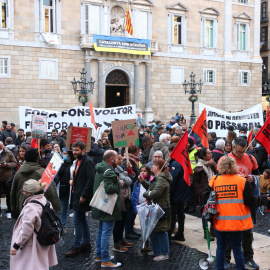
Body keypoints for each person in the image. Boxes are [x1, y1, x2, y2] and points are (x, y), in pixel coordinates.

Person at [205, 157, 267, 270]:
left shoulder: (214, 180)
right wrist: (263, 198)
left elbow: (206, 198)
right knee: (237, 249)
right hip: (237, 223)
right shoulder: (242, 181)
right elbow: (251, 202)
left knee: (220, 248)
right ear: (234, 166)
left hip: (219, 222)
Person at [217, 137, 260, 270]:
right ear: (232, 147)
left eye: (243, 152)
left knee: (248, 233)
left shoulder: (251, 158)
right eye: (238, 152)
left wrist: (253, 178)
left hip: (246, 201)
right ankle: (226, 259)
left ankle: (249, 258)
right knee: (229, 235)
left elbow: (258, 174)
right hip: (229, 204)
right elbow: (219, 178)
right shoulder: (225, 159)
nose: (241, 154)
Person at [10, 180, 58, 270]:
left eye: (23, 191)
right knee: (41, 264)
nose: (23, 193)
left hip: (32, 243)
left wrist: (16, 245)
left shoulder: (30, 207)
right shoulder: (46, 201)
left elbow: (26, 230)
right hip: (43, 239)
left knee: (29, 265)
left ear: (30, 193)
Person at [92, 150, 122, 268]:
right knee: (105, 233)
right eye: (116, 158)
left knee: (101, 231)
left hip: (101, 206)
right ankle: (105, 259)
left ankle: (100, 255)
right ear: (111, 159)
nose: (118, 160)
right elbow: (109, 189)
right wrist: (120, 183)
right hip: (108, 207)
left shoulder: (101, 168)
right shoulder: (109, 172)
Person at [65, 141, 95, 257]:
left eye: (77, 150)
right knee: (82, 220)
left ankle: (76, 246)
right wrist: (74, 181)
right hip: (77, 194)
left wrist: (84, 195)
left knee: (77, 221)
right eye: (73, 150)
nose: (74, 152)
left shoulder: (88, 162)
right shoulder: (78, 161)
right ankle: (86, 244)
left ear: (83, 150)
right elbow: (81, 177)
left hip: (81, 196)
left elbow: (91, 180)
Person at [10, 148, 60, 218]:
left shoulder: (18, 172)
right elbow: (51, 191)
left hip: (23, 206)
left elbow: (13, 190)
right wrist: (55, 208)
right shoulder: (43, 173)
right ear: (37, 158)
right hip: (40, 208)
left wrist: (13, 208)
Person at [140, 159, 172, 261]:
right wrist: (143, 182)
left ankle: (164, 252)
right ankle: (157, 250)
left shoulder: (161, 179)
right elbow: (151, 187)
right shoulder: (158, 178)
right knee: (153, 229)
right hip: (155, 208)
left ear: (158, 167)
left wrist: (145, 194)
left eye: (153, 165)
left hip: (160, 209)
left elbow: (155, 193)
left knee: (161, 231)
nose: (152, 167)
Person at [168, 144, 190, 242]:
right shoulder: (182, 161)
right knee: (180, 214)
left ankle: (168, 237)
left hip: (176, 194)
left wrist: (169, 194)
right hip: (182, 193)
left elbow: (172, 181)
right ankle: (180, 233)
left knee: (173, 215)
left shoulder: (175, 164)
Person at [193, 148, 217, 240]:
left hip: (214, 191)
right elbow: (195, 182)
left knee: (214, 211)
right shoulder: (199, 167)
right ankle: (206, 232)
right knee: (205, 213)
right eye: (208, 153)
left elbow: (217, 173)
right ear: (204, 156)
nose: (211, 154)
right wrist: (201, 192)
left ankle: (213, 230)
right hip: (204, 193)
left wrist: (212, 164)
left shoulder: (211, 164)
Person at [113, 155, 133, 252]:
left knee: (123, 220)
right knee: (118, 221)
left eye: (121, 159)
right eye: (118, 159)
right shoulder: (116, 170)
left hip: (125, 198)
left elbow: (132, 178)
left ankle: (121, 239)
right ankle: (116, 242)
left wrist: (128, 171)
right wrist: (126, 176)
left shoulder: (122, 170)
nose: (121, 161)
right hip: (120, 198)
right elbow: (128, 181)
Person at [57, 148, 74, 234]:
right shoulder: (61, 163)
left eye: (65, 153)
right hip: (63, 188)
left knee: (74, 209)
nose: (63, 155)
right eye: (63, 153)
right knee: (63, 208)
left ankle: (76, 227)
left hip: (72, 189)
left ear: (69, 155)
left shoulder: (74, 163)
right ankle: (63, 226)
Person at [0, 141, 17, 218]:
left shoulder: (8, 153)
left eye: (1, 147)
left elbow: (14, 163)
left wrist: (6, 165)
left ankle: (9, 211)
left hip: (6, 177)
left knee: (8, 195)